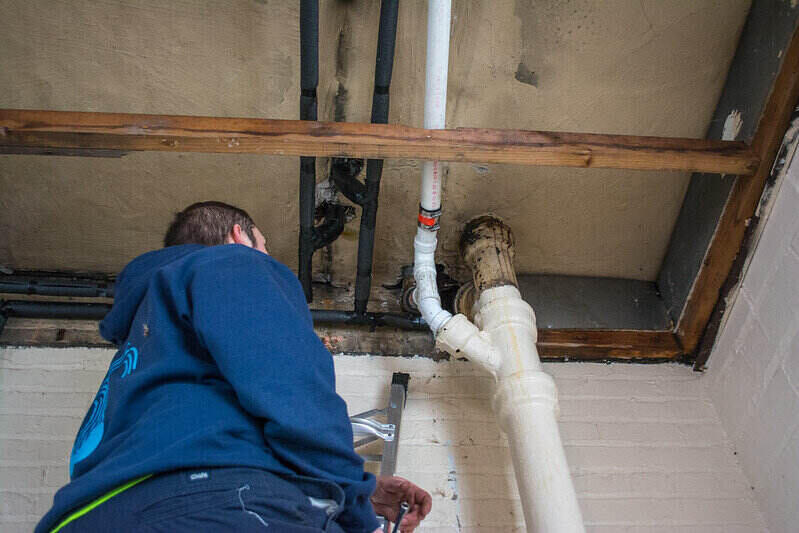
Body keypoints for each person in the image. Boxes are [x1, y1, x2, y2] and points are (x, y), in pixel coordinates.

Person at [36, 201, 432, 533]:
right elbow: (291, 390)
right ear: (240, 236)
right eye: (264, 246)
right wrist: (355, 505)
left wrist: (365, 491)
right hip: (213, 507)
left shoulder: (142, 344)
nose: (265, 258)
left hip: (86, 516)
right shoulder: (232, 262)